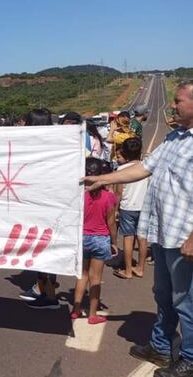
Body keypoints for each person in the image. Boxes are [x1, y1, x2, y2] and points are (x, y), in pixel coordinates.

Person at [83, 81, 193, 376]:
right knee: (163, 294)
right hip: (163, 233)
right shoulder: (175, 139)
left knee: (186, 301)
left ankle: (190, 360)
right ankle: (161, 346)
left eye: (178, 101)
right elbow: (144, 167)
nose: (173, 105)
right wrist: (103, 179)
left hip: (184, 237)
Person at [18, 108, 62, 310]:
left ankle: (50, 296)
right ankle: (42, 288)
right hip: (51, 206)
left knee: (43, 250)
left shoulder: (32, 148)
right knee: (44, 249)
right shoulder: (56, 146)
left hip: (41, 207)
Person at [72, 158, 118, 324]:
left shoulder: (80, 195)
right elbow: (111, 222)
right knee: (96, 277)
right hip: (100, 238)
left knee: (82, 274)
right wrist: (114, 241)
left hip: (82, 237)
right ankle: (92, 314)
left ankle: (76, 309)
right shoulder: (108, 197)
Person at [113, 138, 149, 280]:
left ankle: (127, 271)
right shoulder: (146, 167)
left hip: (128, 207)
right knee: (142, 238)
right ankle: (140, 268)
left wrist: (116, 209)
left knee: (128, 238)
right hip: (144, 206)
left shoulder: (121, 169)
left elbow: (118, 193)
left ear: (125, 153)